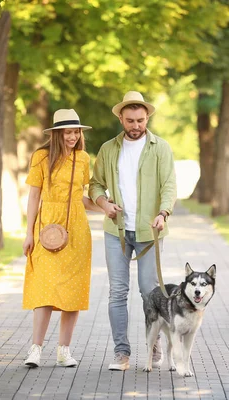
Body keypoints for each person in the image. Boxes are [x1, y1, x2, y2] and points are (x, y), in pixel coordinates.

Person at [89, 91, 177, 371]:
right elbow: (95, 185)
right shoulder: (108, 149)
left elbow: (169, 186)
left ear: (147, 117)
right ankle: (121, 353)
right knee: (117, 292)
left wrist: (163, 213)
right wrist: (104, 204)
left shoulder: (160, 148)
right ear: (120, 119)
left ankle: (154, 346)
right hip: (116, 231)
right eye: (130, 120)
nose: (136, 125)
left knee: (149, 292)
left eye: (140, 120)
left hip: (149, 233)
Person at [22, 109, 102, 368]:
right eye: (68, 131)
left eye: (76, 131)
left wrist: (105, 207)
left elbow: (81, 198)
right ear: (57, 134)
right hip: (47, 227)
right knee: (44, 290)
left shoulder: (83, 158)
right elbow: (34, 196)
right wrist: (28, 233)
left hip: (77, 229)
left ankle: (64, 350)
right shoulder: (41, 157)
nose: (73, 136)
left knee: (73, 290)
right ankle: (35, 349)